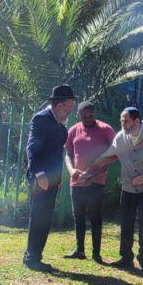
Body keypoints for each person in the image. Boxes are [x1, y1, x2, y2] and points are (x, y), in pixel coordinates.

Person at [85, 107, 143, 273]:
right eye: (121, 121)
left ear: (136, 121)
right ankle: (126, 258)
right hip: (128, 187)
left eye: (126, 121)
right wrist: (89, 170)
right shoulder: (120, 137)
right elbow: (107, 156)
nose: (122, 124)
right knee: (126, 223)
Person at [23, 85, 77, 272]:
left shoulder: (58, 122)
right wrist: (40, 174)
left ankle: (34, 256)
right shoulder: (41, 119)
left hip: (51, 179)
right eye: (69, 107)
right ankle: (32, 258)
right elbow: (31, 149)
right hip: (41, 178)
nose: (71, 110)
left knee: (45, 218)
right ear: (60, 105)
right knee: (39, 217)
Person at [63, 101, 116, 264]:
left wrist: (95, 172)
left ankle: (96, 253)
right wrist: (72, 171)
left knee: (95, 218)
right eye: (84, 116)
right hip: (77, 182)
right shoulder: (73, 130)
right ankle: (79, 250)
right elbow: (68, 154)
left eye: (90, 115)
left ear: (95, 113)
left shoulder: (106, 129)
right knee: (78, 217)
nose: (87, 119)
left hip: (96, 182)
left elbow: (116, 153)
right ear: (78, 115)